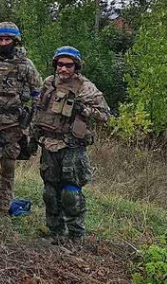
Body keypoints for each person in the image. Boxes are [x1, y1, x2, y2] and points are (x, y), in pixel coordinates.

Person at [32, 46, 109, 242]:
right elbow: (38, 110)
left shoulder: (86, 87)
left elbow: (105, 116)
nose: (63, 69)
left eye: (68, 65)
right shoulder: (49, 83)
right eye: (60, 64)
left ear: (76, 67)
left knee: (70, 193)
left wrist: (85, 110)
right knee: (50, 192)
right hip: (49, 144)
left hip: (72, 147)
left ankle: (75, 235)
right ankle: (55, 231)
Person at [0, 22, 42, 214]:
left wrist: (30, 123)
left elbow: (38, 94)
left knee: (8, 167)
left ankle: (4, 205)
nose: (3, 43)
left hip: (12, 124)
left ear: (15, 41)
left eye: (7, 39)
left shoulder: (25, 65)